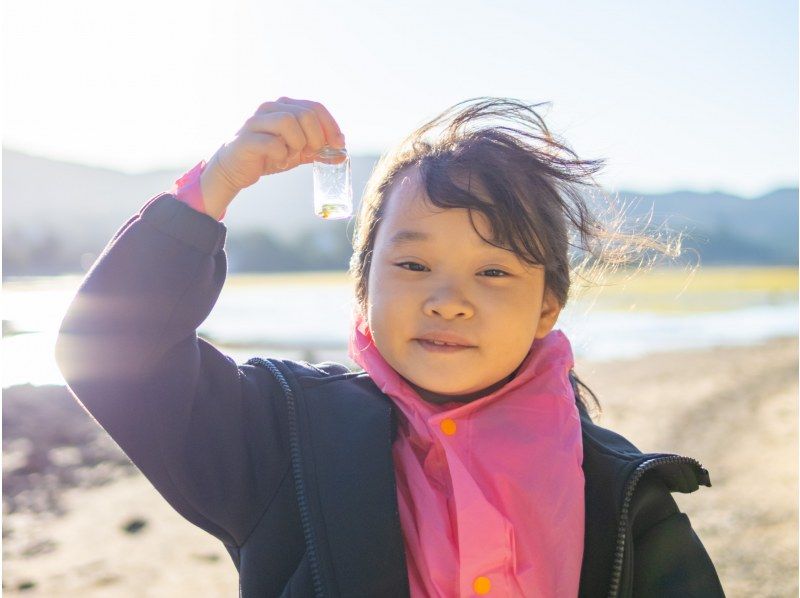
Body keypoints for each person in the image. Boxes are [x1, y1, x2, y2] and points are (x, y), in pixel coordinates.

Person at [55, 96, 725, 597]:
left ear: (547, 305)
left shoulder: (616, 487)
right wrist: (213, 186)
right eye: (412, 265)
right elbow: (111, 351)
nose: (448, 300)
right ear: (363, 287)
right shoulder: (288, 437)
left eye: (494, 271)